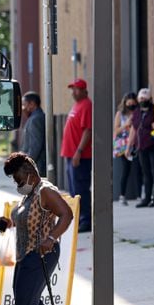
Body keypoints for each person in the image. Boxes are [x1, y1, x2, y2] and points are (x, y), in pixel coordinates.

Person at [0, 152, 76, 305]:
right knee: (29, 301)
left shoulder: (45, 191)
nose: (17, 183)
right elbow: (27, 218)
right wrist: (8, 223)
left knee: (25, 302)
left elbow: (67, 214)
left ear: (31, 173)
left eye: (18, 179)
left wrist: (51, 238)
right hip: (26, 255)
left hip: (42, 254)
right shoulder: (30, 194)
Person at [59, 79, 92, 232]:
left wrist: (78, 152)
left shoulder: (86, 105)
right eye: (72, 89)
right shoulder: (77, 105)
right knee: (73, 190)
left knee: (81, 189)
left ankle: (86, 220)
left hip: (80, 157)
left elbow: (87, 130)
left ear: (84, 90)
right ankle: (78, 219)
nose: (73, 92)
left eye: (76, 89)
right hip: (70, 155)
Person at [113, 92, 137, 205]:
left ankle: (139, 193)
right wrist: (126, 124)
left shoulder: (137, 113)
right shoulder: (120, 114)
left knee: (138, 168)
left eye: (133, 103)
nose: (131, 105)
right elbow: (116, 130)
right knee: (126, 169)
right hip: (123, 144)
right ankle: (122, 195)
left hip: (136, 143)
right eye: (129, 102)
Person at [20, 91, 46, 176]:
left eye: (25, 104)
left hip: (36, 166)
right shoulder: (34, 117)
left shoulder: (35, 119)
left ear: (32, 104)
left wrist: (27, 163)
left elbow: (35, 145)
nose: (23, 108)